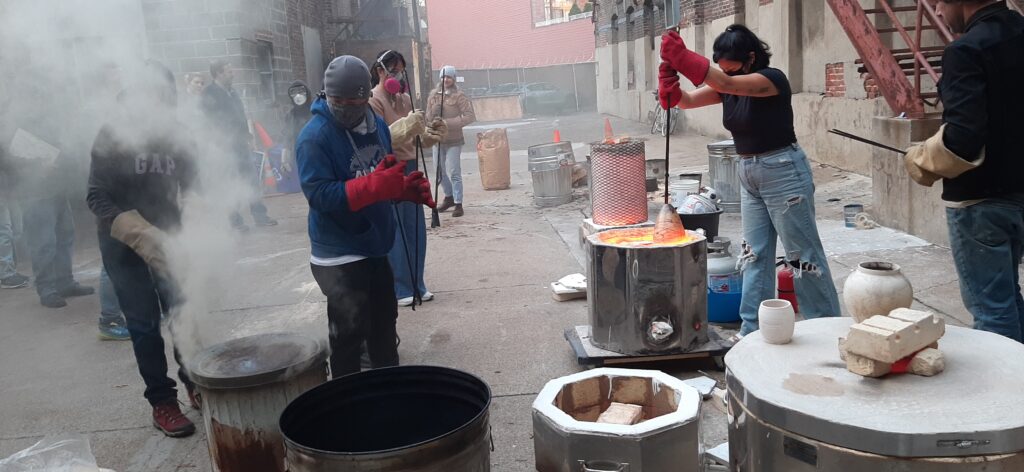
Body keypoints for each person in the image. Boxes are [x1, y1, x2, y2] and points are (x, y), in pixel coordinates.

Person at [659, 25, 840, 338]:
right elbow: (687, 101)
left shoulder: (771, 79)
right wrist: (670, 85)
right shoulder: (728, 85)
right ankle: (752, 331)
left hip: (783, 172)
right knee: (753, 256)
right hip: (750, 174)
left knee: (801, 258)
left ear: (751, 58)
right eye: (722, 66)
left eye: (732, 66)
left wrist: (684, 57)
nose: (727, 73)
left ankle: (825, 328)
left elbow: (725, 81)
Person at [296, 55, 434, 378]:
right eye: (337, 101)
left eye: (353, 102)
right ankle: (348, 404)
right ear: (326, 97)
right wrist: (371, 187)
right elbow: (319, 196)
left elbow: (380, 175)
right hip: (338, 253)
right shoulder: (315, 137)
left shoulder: (378, 129)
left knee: (385, 330)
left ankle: (389, 396)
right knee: (348, 338)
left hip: (374, 246)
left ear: (364, 100)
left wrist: (401, 189)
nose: (345, 107)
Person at [87, 61, 200, 437]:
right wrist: (137, 231)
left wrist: (202, 220)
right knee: (144, 325)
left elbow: (194, 184)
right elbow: (96, 196)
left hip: (170, 240)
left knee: (183, 313)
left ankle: (195, 380)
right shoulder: (113, 134)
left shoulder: (176, 133)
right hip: (124, 245)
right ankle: (162, 402)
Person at [904, 1, 1024, 342]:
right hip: (1018, 193)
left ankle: (1005, 395)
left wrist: (922, 158)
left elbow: (964, 138)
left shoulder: (965, 50)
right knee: (1008, 299)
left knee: (992, 312)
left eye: (940, 2)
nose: (939, 12)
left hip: (981, 204)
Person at [3, 74, 94, 308]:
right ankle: (47, 288)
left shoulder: (45, 117)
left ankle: (65, 282)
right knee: (43, 242)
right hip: (33, 190)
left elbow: (61, 143)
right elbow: (6, 158)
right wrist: (36, 163)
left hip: (57, 186)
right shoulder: (11, 121)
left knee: (64, 236)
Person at [368, 50, 447, 307]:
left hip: (412, 166)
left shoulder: (403, 99)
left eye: (401, 70)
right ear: (380, 71)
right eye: (393, 70)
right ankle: (400, 287)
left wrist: (430, 134)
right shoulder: (374, 100)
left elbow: (417, 135)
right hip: (392, 168)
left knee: (415, 229)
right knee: (397, 229)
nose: (398, 75)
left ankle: (418, 283)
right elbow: (380, 139)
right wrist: (406, 126)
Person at [201, 60, 277, 231]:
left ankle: (260, 215)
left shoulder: (232, 92)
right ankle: (236, 221)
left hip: (240, 144)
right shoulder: (209, 94)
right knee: (230, 183)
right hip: (223, 147)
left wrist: (248, 136)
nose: (233, 74)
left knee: (251, 180)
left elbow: (240, 116)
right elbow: (207, 122)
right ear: (218, 73)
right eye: (229, 71)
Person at [426, 65, 475, 218]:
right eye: (443, 77)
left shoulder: (459, 96)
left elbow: (469, 116)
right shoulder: (433, 96)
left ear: (453, 79)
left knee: (454, 171)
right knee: (439, 171)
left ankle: (458, 202)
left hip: (454, 140)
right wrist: (433, 112)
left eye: (449, 77)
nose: (445, 79)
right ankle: (449, 197)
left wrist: (447, 122)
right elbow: (428, 118)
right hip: (437, 139)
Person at [281, 80, 314, 174]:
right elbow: (287, 138)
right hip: (299, 156)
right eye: (294, 93)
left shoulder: (316, 111)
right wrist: (284, 160)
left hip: (317, 154)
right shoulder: (290, 116)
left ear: (307, 93)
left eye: (301, 91)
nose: (298, 96)